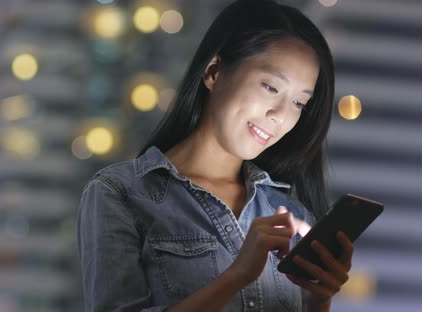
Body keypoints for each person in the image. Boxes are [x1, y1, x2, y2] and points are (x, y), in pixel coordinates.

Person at [77, 0, 353, 311]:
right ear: (214, 72)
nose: (280, 115)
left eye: (299, 103)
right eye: (271, 87)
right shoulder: (122, 193)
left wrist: (319, 299)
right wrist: (237, 276)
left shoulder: (290, 213)